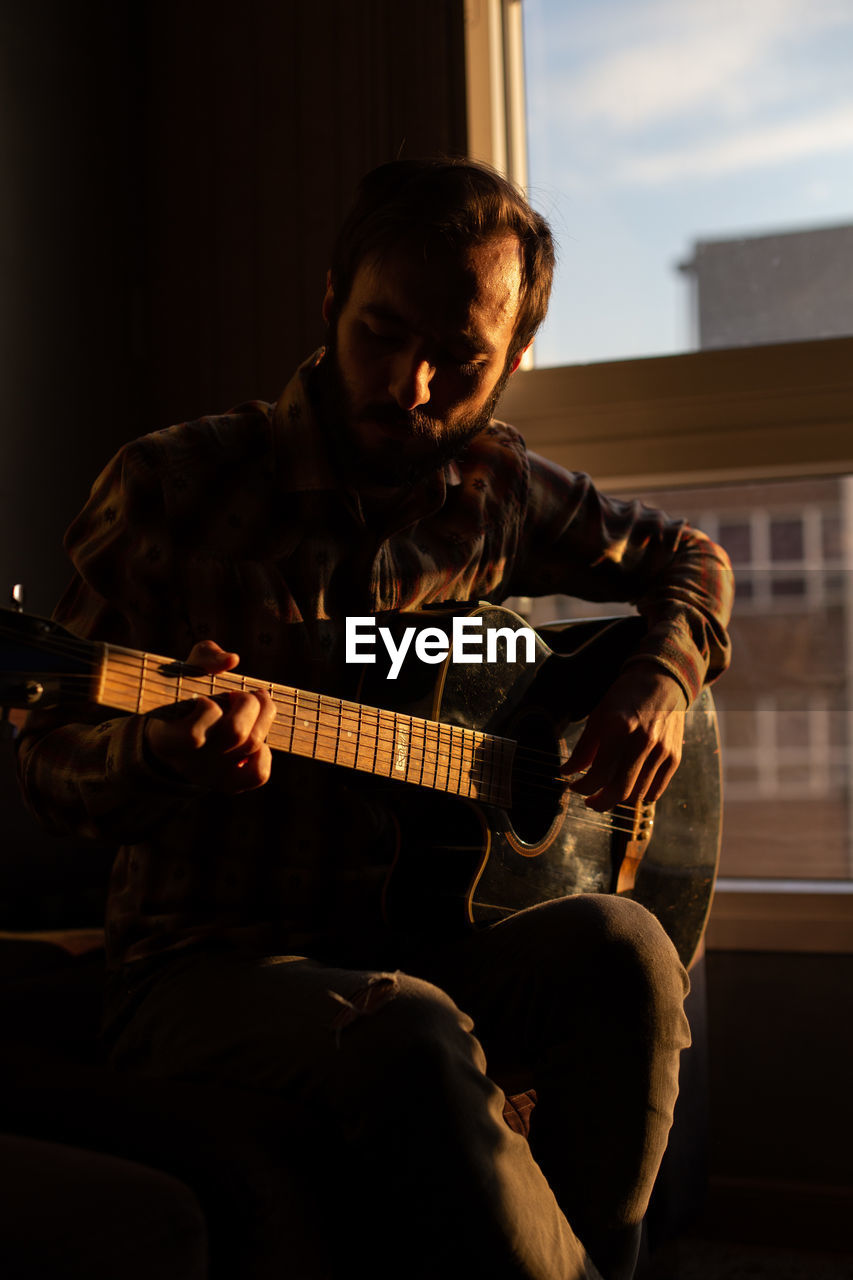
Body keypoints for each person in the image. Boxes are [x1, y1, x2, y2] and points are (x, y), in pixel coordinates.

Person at [18, 158, 733, 1280]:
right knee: (402, 1022)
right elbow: (45, 758)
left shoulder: (498, 491)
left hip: (427, 931)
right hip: (204, 966)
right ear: (330, 303)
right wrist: (153, 756)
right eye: (381, 331)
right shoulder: (171, 486)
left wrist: (665, 673)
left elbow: (690, 559)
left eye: (459, 360)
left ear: (512, 361)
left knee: (631, 948)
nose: (408, 386)